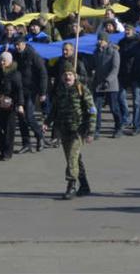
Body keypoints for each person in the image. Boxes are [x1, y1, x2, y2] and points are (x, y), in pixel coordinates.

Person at [48, 68, 95, 199]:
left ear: (75, 76)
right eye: (65, 75)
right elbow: (54, 109)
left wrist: (90, 131)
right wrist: (47, 122)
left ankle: (71, 186)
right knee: (75, 158)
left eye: (70, 74)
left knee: (72, 158)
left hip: (78, 130)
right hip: (64, 129)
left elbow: (92, 110)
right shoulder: (60, 90)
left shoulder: (82, 89)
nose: (67, 77)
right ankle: (84, 185)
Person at [0, 51, 24, 160]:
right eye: (1, 60)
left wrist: (20, 104)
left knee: (8, 130)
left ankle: (7, 152)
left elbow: (19, 90)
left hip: (10, 105)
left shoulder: (15, 74)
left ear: (10, 61)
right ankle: (2, 147)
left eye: (4, 61)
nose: (2, 62)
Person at [91, 34, 126, 137]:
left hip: (111, 85)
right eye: (99, 40)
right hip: (98, 84)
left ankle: (118, 128)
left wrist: (108, 80)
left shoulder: (114, 52)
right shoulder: (96, 52)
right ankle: (96, 129)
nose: (99, 42)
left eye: (101, 40)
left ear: (106, 41)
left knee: (114, 107)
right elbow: (94, 66)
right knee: (96, 108)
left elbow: (115, 68)